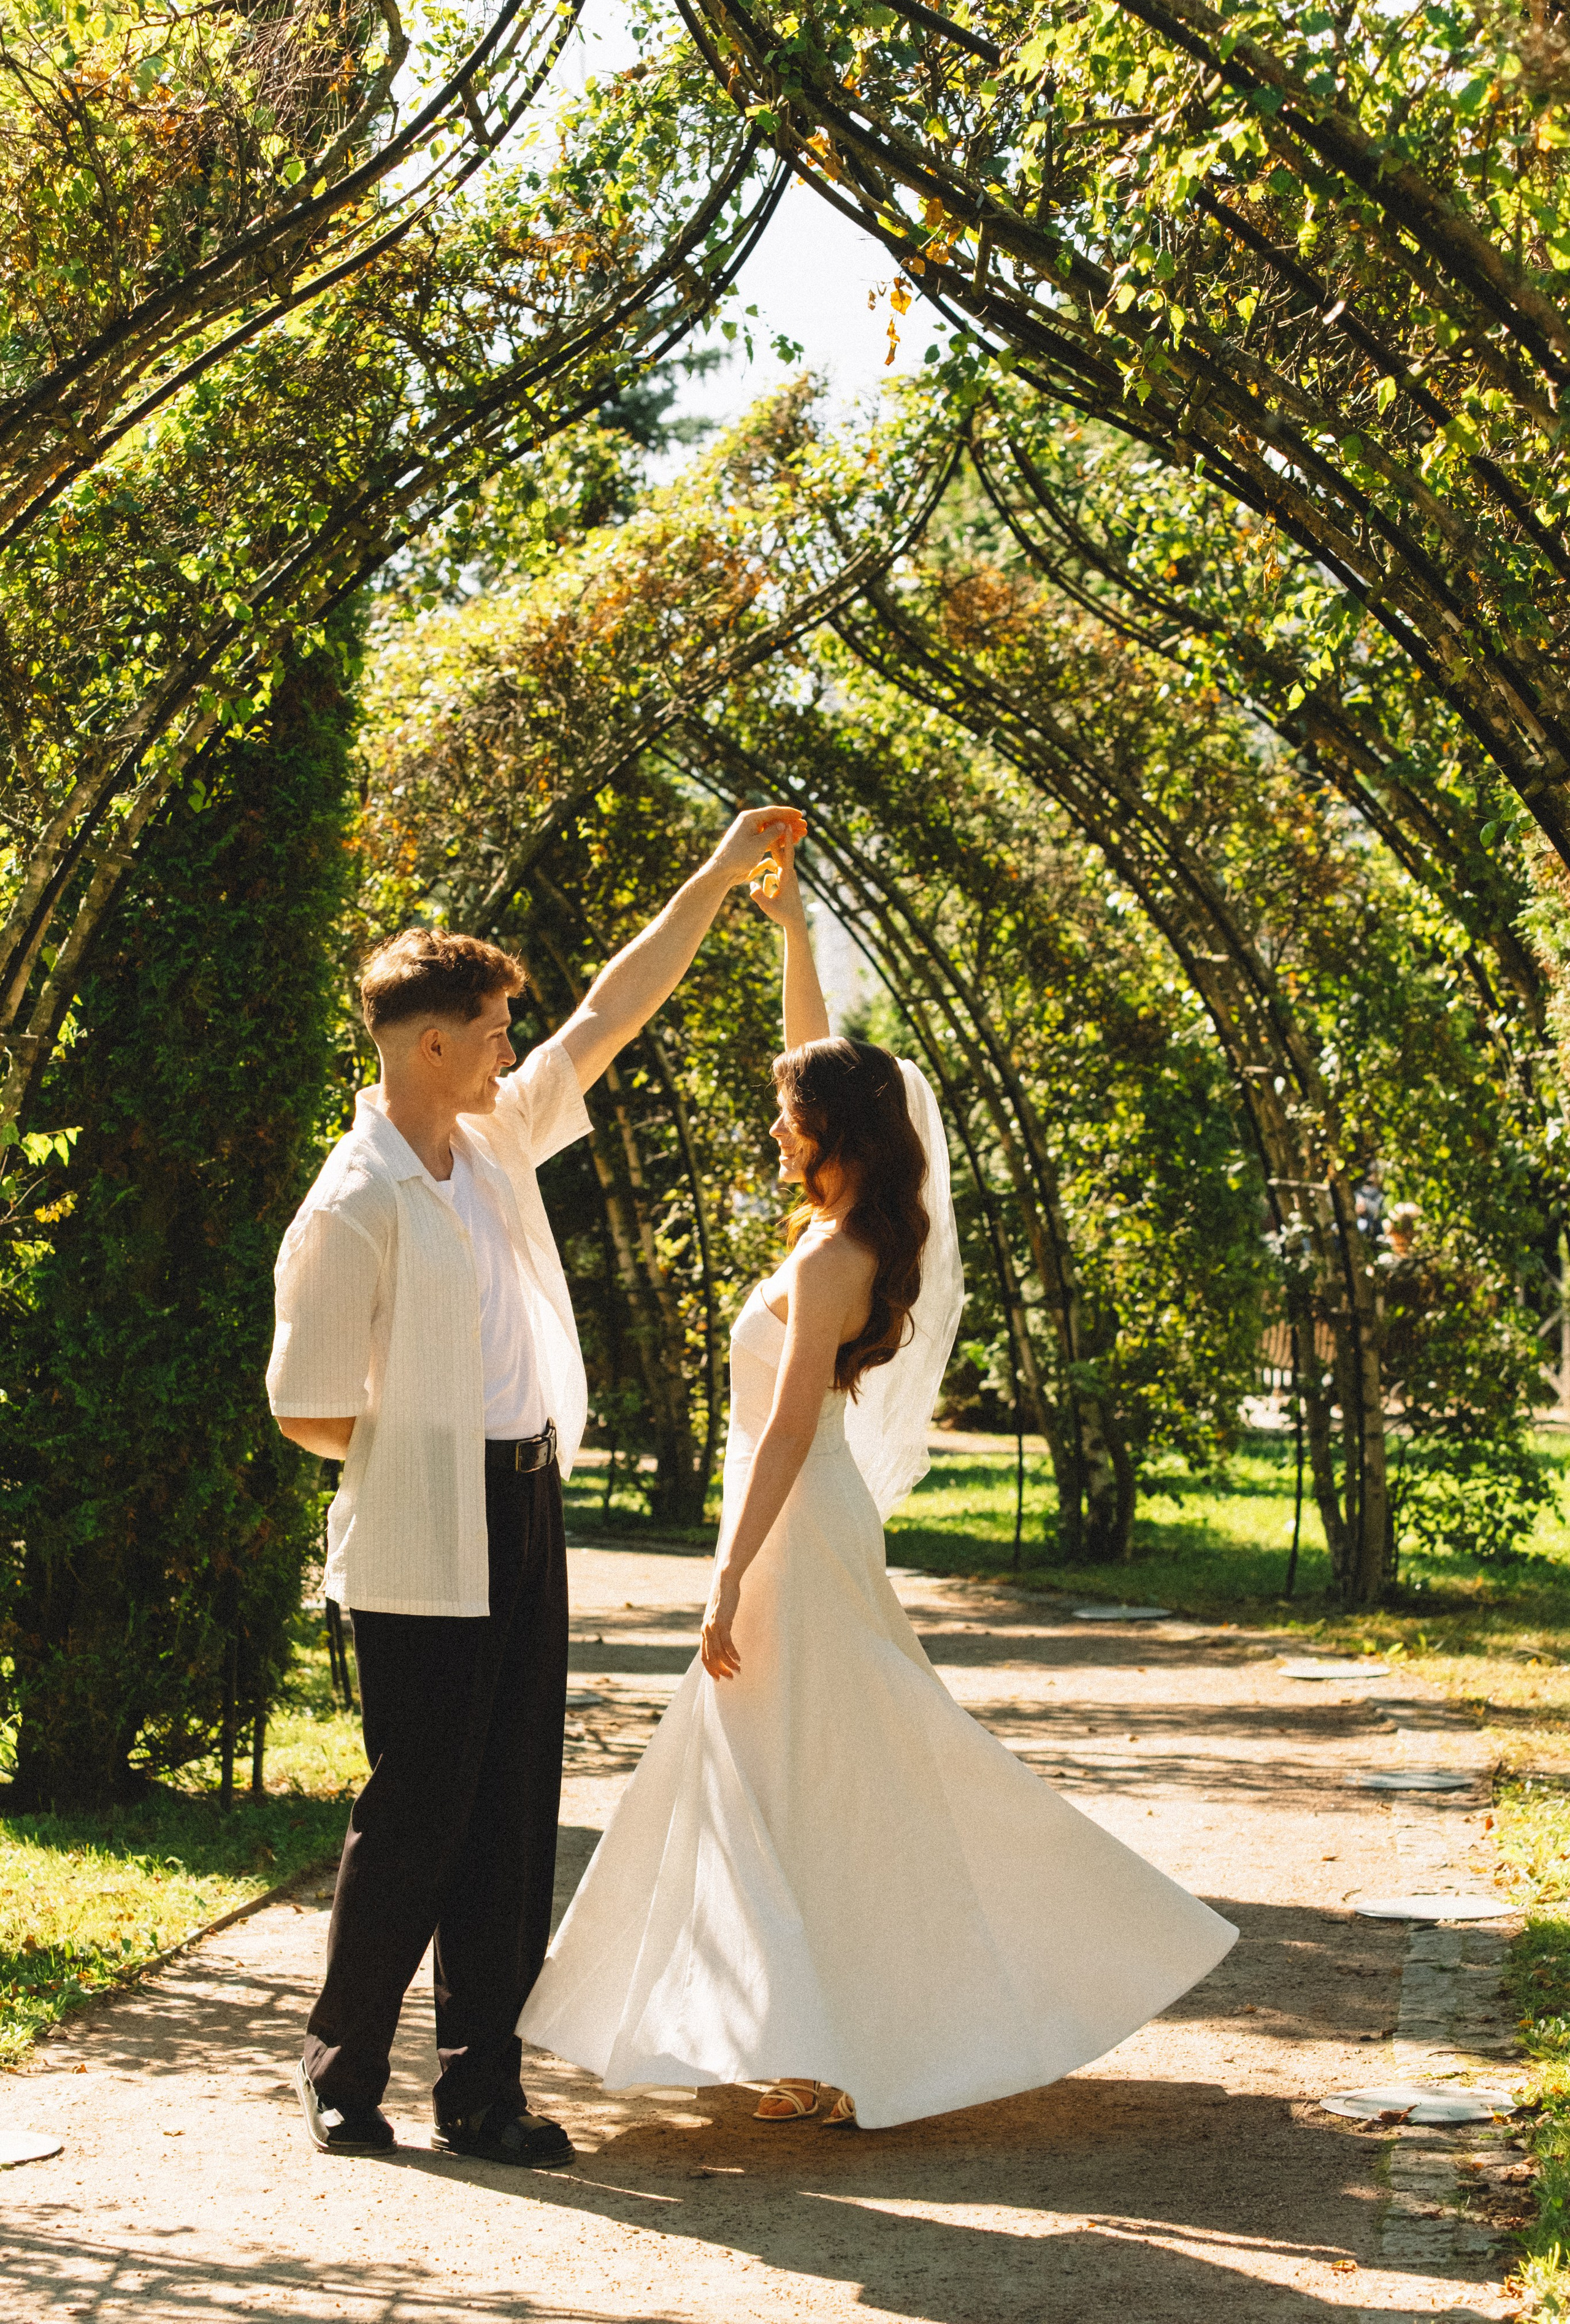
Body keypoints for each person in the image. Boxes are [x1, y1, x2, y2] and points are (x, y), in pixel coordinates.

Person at [519, 839, 1239, 2131]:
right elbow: (816, 1052)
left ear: (823, 1136)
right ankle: (803, 2030)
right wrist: (792, 929)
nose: (771, 1124)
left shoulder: (828, 1259)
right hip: (800, 1518)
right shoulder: (835, 1225)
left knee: (829, 1771)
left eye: (784, 1114)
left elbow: (786, 1432)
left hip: (794, 1525)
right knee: (795, 1771)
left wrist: (726, 1578)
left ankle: (858, 2028)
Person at [266, 804, 806, 2165]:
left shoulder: (494, 1135)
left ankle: (483, 2093)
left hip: (523, 1508)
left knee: (511, 1809)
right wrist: (428, 1463)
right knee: (418, 1810)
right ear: (431, 1041)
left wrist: (710, 872)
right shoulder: (352, 1201)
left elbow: (613, 1014)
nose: (516, 1046)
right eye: (495, 1027)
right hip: (413, 1530)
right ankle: (342, 2073)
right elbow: (308, 1408)